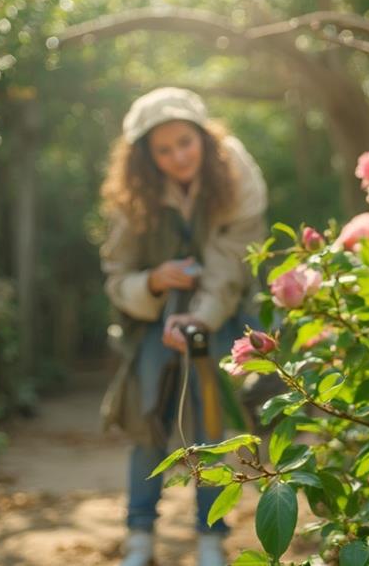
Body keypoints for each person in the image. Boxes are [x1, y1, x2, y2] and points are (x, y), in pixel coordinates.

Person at [98, 87, 267, 566]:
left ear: (204, 138)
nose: (177, 157)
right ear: (146, 158)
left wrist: (202, 317)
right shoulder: (132, 196)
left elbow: (229, 264)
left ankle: (210, 539)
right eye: (163, 150)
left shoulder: (239, 176)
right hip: (153, 323)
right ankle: (139, 537)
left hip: (222, 315)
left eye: (184, 142)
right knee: (149, 420)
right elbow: (117, 275)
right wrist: (152, 281)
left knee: (213, 425)